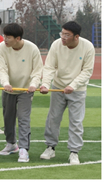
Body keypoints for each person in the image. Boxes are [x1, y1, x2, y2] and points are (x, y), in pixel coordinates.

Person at [39, 21, 95, 165]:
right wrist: (45, 84)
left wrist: (73, 85)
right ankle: (50, 147)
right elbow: (49, 66)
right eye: (62, 33)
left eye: (67, 35)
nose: (63, 37)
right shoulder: (57, 45)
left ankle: (74, 152)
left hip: (78, 90)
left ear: (76, 37)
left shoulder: (87, 47)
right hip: (58, 87)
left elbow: (87, 71)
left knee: (76, 121)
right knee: (53, 118)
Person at [0, 22, 43, 163]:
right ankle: (11, 144)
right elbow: (1, 68)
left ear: (18, 38)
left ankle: (23, 149)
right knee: (8, 118)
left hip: (26, 90)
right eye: (4, 36)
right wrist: (5, 83)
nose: (5, 39)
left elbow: (38, 70)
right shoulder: (2, 47)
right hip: (8, 89)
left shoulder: (32, 48)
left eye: (8, 37)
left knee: (23, 118)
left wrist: (34, 84)